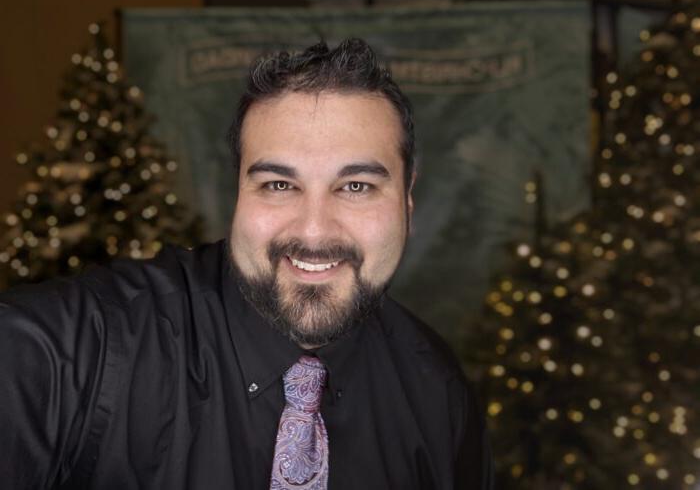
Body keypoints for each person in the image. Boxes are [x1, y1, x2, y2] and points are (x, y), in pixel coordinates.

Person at [0, 39, 493, 489]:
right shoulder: (70, 351)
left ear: (407, 201)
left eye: (356, 186)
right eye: (279, 185)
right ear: (238, 191)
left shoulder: (436, 392)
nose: (314, 230)